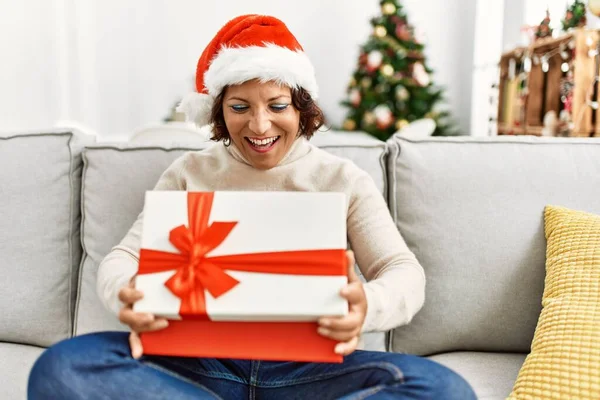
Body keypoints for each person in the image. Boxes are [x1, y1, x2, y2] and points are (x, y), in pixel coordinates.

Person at [28, 14, 476, 399]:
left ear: (302, 108)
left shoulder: (342, 180)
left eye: (277, 105)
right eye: (240, 106)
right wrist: (126, 291)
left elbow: (403, 270)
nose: (259, 125)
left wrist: (367, 305)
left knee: (445, 390)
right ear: (219, 112)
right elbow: (126, 257)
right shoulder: (189, 172)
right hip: (198, 362)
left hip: (308, 369)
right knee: (63, 366)